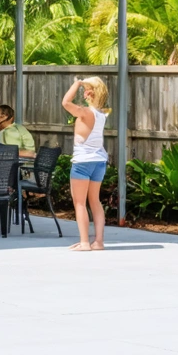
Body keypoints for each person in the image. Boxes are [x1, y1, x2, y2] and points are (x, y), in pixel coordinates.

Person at [63, 77, 111, 251]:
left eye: (87, 89)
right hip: (99, 162)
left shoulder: (85, 112)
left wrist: (76, 83)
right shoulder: (101, 114)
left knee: (80, 203)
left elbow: (65, 102)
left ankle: (84, 243)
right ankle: (98, 242)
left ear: (92, 92)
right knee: (95, 202)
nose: (84, 91)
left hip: (83, 162)